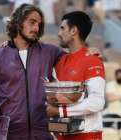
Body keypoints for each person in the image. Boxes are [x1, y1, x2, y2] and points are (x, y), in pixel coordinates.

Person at [0, 4, 100, 140]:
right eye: (32, 22)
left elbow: (75, 58)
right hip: (9, 134)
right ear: (18, 22)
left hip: (43, 133)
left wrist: (89, 52)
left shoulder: (50, 52)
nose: (36, 28)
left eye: (39, 24)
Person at [46, 11, 105, 140]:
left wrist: (61, 112)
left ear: (73, 31)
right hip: (62, 135)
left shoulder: (92, 60)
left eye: (62, 28)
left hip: (87, 136)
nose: (59, 33)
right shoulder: (59, 61)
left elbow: (97, 102)